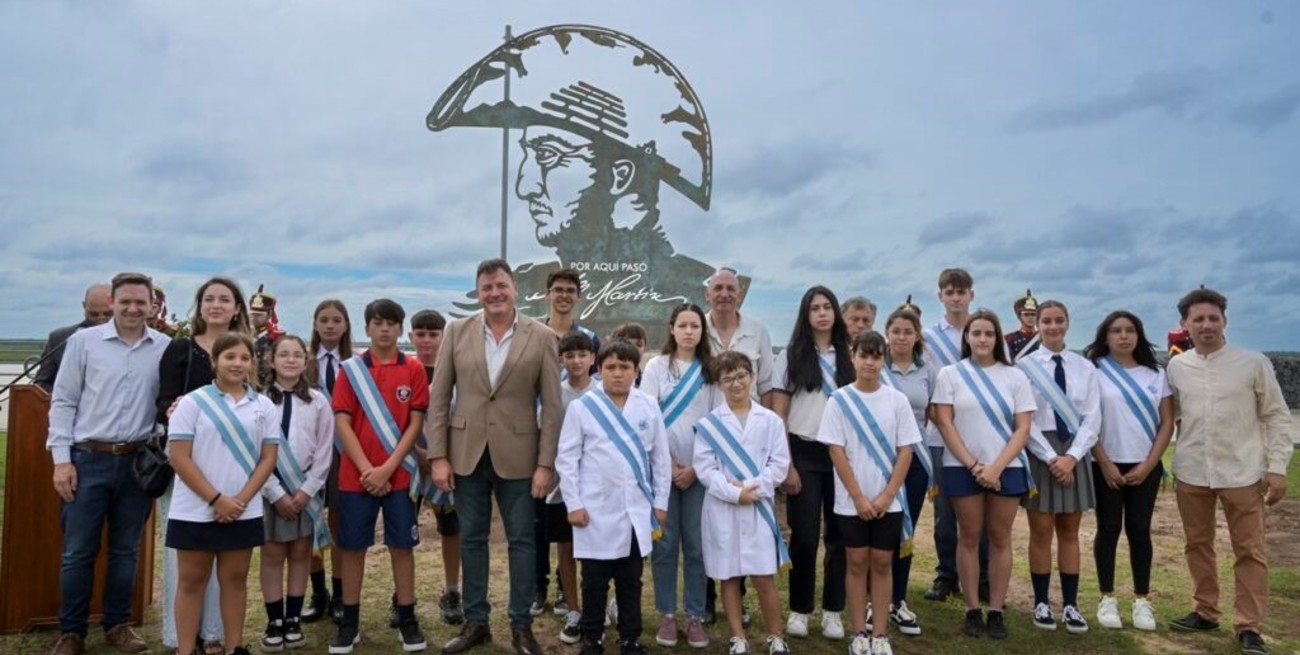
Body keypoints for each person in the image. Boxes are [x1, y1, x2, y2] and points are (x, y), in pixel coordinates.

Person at [427, 258, 563, 655]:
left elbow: (552, 407)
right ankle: (476, 622)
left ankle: (521, 626)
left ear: (515, 288)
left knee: (522, 540)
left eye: (501, 285)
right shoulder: (457, 331)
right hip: (465, 454)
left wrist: (545, 464)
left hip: (520, 456)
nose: (495, 293)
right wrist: (438, 456)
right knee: (471, 538)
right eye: (487, 287)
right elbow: (440, 398)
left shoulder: (542, 336)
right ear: (479, 292)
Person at [45, 272, 167, 655]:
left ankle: (117, 625)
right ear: (112, 302)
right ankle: (72, 631)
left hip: (136, 464)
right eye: (125, 301)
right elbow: (63, 401)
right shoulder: (83, 343)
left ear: (152, 305)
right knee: (78, 551)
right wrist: (61, 461)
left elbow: (165, 404)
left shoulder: (164, 347)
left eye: (140, 302)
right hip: (87, 459)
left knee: (125, 550)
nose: (133, 308)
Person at [1165, 288, 1292, 655]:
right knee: (1197, 545)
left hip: (1243, 471)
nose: (1206, 325)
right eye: (1198, 319)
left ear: (1224, 321)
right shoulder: (1177, 367)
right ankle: (1205, 610)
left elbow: (1276, 416)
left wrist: (1277, 468)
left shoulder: (1253, 363)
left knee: (1249, 549)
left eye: (1213, 318)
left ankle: (1249, 625)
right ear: (1185, 324)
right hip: (1192, 471)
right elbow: (1171, 416)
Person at [157, 277, 254, 655]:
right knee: (185, 564)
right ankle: (179, 638)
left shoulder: (248, 349)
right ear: (200, 306)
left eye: (224, 299)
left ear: (236, 307)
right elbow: (162, 401)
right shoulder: (180, 348)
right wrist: (175, 410)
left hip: (234, 468)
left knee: (228, 564)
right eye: (209, 298)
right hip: (188, 466)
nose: (216, 305)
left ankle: (214, 634)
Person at [167, 333, 279, 655]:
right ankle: (185, 650)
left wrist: (238, 501)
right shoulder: (192, 403)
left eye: (244, 357)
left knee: (235, 580)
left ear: (252, 363)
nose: (237, 363)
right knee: (191, 581)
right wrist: (217, 500)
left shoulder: (263, 405)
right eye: (230, 357)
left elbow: (268, 459)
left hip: (243, 509)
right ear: (215, 361)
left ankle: (234, 647)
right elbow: (179, 457)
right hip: (195, 508)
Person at [557, 340, 671, 655]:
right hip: (594, 510)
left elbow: (661, 459)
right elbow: (566, 459)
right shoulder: (583, 407)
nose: (617, 373)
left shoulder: (648, 406)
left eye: (625, 367)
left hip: (636, 510)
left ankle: (630, 639)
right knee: (594, 581)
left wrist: (660, 503)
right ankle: (592, 638)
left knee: (630, 580)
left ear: (636, 371)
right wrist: (574, 504)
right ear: (600, 369)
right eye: (611, 367)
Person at [329, 299, 429, 654]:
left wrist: (387, 468)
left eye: (391, 323)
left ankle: (408, 619)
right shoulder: (351, 370)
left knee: (402, 547)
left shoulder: (413, 368)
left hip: (399, 475)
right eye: (377, 323)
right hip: (356, 477)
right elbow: (342, 422)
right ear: (367, 327)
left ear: (400, 329)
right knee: (353, 548)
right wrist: (368, 470)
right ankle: (349, 623)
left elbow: (415, 422)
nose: (384, 329)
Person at [931, 310, 1036, 640]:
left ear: (997, 338)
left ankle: (997, 611)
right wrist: (974, 465)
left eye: (989, 333)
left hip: (1007, 467)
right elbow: (944, 422)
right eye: (976, 333)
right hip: (962, 466)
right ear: (967, 337)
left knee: (1001, 538)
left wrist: (996, 467)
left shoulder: (1015, 376)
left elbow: (1023, 428)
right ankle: (972, 609)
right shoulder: (950, 374)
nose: (982, 339)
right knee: (969, 536)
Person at [820, 331, 922, 655]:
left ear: (884, 359)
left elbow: (906, 451)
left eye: (876, 356)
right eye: (863, 355)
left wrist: (887, 496)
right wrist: (859, 497)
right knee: (856, 561)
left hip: (888, 501)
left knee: (881, 563)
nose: (869, 363)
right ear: (853, 357)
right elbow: (836, 451)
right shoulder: (839, 400)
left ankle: (880, 634)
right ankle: (858, 633)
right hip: (851, 500)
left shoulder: (897, 400)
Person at [694, 351, 792, 655]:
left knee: (763, 575)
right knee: (729, 574)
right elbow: (705, 469)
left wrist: (752, 489)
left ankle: (776, 635)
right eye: (728, 379)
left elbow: (779, 464)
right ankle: (737, 636)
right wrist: (735, 494)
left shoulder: (770, 420)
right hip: (723, 508)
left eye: (740, 376)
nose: (735, 384)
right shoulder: (710, 424)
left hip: (759, 508)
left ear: (751, 376)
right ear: (719, 384)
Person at [771, 286, 855, 641]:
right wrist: (787, 464)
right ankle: (800, 609)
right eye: (814, 308)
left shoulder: (850, 354)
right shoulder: (791, 355)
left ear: (835, 313)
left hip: (843, 456)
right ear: (805, 315)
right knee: (804, 537)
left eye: (827, 307)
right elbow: (779, 412)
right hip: (803, 452)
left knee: (840, 535)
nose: (822, 313)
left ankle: (834, 611)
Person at [1082, 311, 1174, 632]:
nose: (1124, 336)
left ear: (1139, 335)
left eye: (1130, 330)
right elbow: (1087, 421)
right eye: (1116, 330)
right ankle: (1107, 597)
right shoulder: (1094, 371)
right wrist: (1105, 462)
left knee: (1139, 529)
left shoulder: (1156, 373)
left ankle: (1141, 599)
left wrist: (1149, 465)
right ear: (1105, 336)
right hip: (1103, 463)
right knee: (1108, 529)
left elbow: (1167, 423)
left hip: (1145, 465)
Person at [1015, 300, 1101, 634]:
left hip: (1075, 452)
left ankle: (1070, 605)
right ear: (1037, 324)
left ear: (1068, 323)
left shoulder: (1084, 367)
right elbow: (1024, 419)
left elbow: (1093, 418)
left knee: (1069, 531)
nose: (1053, 327)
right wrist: (1051, 457)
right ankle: (1041, 602)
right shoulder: (1024, 367)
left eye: (1059, 320)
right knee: (1040, 531)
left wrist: (1072, 457)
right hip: (1041, 452)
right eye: (1046, 321)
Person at [642, 304, 719, 649]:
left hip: (700, 474)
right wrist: (669, 466)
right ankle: (667, 614)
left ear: (703, 331)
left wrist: (696, 468)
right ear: (672, 328)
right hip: (663, 473)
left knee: (697, 546)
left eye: (695, 326)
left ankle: (695, 615)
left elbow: (717, 424)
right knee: (665, 544)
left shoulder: (711, 371)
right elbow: (648, 418)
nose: (689, 332)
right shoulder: (656, 367)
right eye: (683, 325)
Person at [258, 335, 333, 651]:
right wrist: (275, 492)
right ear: (271, 360)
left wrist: (308, 489)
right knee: (273, 554)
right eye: (283, 354)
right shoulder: (258, 400)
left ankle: (293, 619)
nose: (291, 360)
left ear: (306, 361)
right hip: (269, 490)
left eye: (297, 355)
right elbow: (252, 450)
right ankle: (274, 620)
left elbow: (325, 449)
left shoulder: (318, 401)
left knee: (302, 553)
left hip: (305, 491)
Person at [920, 268, 989, 603]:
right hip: (940, 434)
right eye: (950, 292)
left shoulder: (984, 331)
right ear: (941, 296)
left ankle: (984, 576)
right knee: (945, 511)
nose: (956, 298)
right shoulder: (928, 338)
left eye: (962, 292)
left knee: (982, 511)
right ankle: (947, 575)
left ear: (971, 295)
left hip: (982, 434)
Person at [535, 269, 600, 618]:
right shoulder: (533, 333)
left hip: (585, 455)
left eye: (570, 290)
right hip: (542, 439)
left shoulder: (589, 337)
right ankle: (537, 586)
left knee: (573, 528)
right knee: (539, 523)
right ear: (547, 294)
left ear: (578, 296)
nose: (563, 295)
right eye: (557, 289)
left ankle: (568, 592)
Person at [880, 308, 937, 637]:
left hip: (914, 460)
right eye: (896, 331)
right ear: (887, 334)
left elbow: (931, 415)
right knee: (879, 531)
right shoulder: (876, 365)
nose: (901, 337)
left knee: (905, 530)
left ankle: (898, 600)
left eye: (908, 331)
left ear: (917, 336)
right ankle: (875, 600)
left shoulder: (927, 370)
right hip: (879, 460)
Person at [408, 309, 465, 626]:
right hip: (410, 460)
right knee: (403, 532)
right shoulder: (405, 370)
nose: (427, 340)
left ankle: (452, 590)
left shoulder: (455, 372)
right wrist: (416, 453)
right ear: (411, 337)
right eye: (421, 334)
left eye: (433, 334)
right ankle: (402, 596)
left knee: (451, 530)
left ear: (444, 337)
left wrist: (442, 456)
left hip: (447, 462)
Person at [307, 299, 352, 624]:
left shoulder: (356, 363)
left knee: (338, 525)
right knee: (310, 523)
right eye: (324, 319)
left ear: (346, 325)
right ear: (315, 324)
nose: (330, 325)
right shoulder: (303, 361)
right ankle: (317, 592)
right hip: (310, 453)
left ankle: (339, 593)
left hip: (344, 452)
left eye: (337, 319)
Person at [553, 332, 598, 645]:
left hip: (597, 485)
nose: (576, 361)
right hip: (562, 484)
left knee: (599, 551)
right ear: (561, 359)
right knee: (566, 547)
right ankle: (573, 609)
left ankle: (599, 606)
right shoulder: (555, 393)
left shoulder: (604, 392)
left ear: (593, 358)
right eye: (570, 355)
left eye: (583, 354)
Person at [704, 267, 774, 407]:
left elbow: (766, 385)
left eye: (730, 289)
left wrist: (765, 418)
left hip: (749, 418)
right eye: (718, 288)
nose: (724, 294)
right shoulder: (697, 330)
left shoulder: (758, 331)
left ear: (739, 295)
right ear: (707, 294)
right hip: (708, 419)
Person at [34, 282, 113, 392]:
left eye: (108, 314)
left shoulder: (134, 339)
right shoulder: (59, 338)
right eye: (94, 314)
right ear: (84, 307)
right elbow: (42, 383)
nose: (101, 320)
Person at [249, 284, 285, 387]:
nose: (255, 318)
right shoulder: (244, 334)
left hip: (268, 385)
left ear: (269, 315)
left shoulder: (276, 337)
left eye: (259, 315)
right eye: (253, 314)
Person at [1004, 289, 1040, 361]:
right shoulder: (1010, 339)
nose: (1030, 317)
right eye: (1026, 314)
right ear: (1019, 317)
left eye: (1033, 314)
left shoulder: (1043, 337)